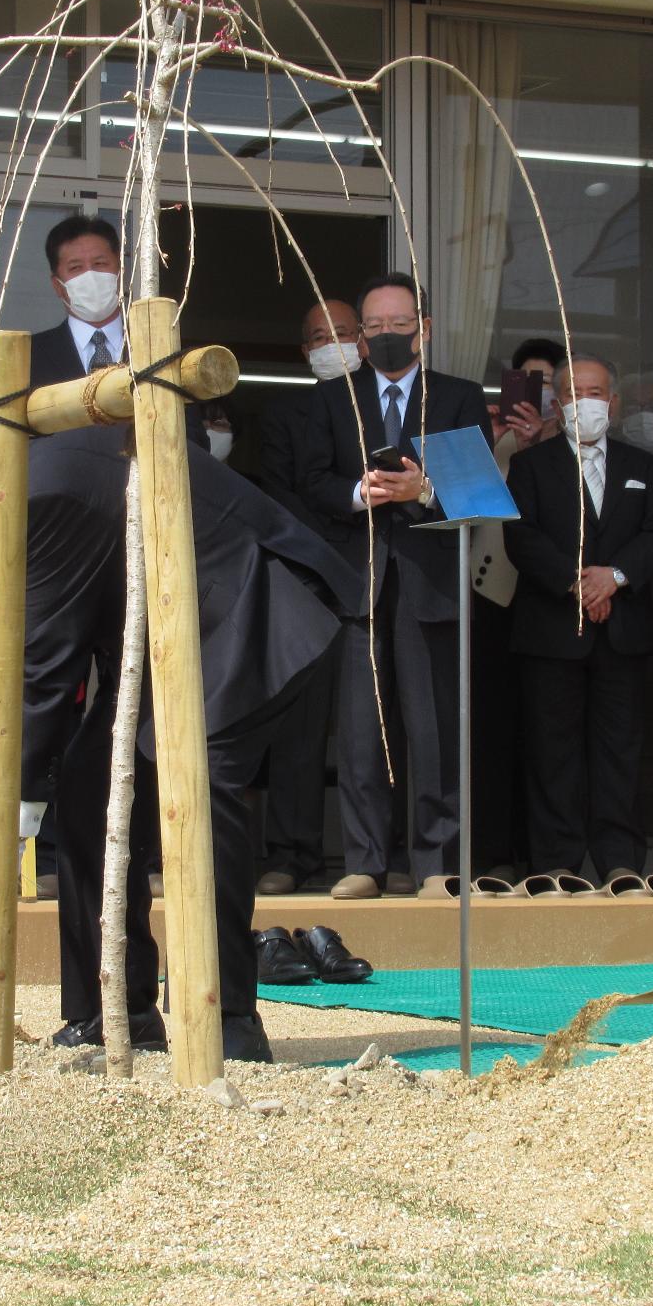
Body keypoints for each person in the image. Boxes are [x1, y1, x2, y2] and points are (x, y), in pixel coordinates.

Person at [0, 380, 360, 1062]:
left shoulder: (45, 482)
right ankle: (112, 1011)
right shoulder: (22, 476)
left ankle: (229, 1023)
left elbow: (47, 667)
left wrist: (13, 800)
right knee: (89, 795)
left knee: (198, 800)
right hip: (160, 641)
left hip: (248, 610)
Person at [298, 272, 492, 899]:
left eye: (398, 325)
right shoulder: (332, 400)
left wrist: (424, 490)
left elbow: (479, 495)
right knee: (360, 730)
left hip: (430, 585)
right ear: (358, 339)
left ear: (423, 330)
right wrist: (362, 492)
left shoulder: (459, 397)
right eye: (374, 327)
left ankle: (436, 863)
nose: (386, 336)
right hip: (358, 585)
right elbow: (311, 482)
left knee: (434, 730)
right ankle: (365, 862)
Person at [503, 355, 653, 891]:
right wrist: (579, 583)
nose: (586, 403)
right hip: (553, 631)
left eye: (597, 392)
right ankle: (556, 862)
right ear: (559, 403)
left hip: (622, 632)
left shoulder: (641, 466)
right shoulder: (531, 466)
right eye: (575, 393)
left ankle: (620, 860)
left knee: (618, 749)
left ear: (614, 402)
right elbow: (522, 538)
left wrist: (614, 577)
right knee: (553, 752)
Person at [251, 298, 361, 894]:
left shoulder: (390, 403)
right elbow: (278, 494)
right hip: (310, 583)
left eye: (341, 333)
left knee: (384, 724)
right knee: (300, 726)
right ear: (304, 350)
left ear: (364, 340)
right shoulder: (284, 411)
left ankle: (389, 853)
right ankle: (292, 854)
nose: (331, 344)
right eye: (319, 336)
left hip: (391, 577)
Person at [29, 215, 127, 386]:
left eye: (100, 263)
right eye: (75, 268)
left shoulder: (157, 345)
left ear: (121, 270)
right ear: (57, 285)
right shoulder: (28, 356)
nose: (90, 275)